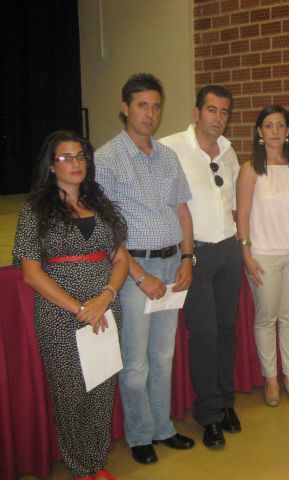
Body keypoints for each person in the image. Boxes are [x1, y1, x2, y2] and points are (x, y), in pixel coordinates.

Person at [13, 130, 128, 480]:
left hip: (105, 310)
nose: (76, 163)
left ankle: (97, 463)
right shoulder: (35, 210)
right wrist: (80, 308)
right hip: (60, 316)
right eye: (66, 157)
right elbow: (31, 273)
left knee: (102, 388)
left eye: (81, 156)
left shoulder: (100, 204)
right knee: (70, 394)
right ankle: (82, 469)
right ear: (51, 165)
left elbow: (120, 259)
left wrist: (105, 297)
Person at [95, 73, 195, 464]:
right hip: (132, 269)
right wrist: (139, 275)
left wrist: (187, 258)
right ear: (125, 108)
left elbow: (182, 211)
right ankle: (139, 435)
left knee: (163, 356)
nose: (150, 113)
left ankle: (162, 428)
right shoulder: (106, 159)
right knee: (135, 361)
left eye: (155, 106)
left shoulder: (168, 155)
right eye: (142, 105)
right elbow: (106, 228)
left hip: (172, 265)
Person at [160, 85, 241, 449]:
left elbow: (232, 202)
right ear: (196, 113)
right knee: (205, 334)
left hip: (228, 251)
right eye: (212, 110)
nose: (218, 118)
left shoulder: (228, 150)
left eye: (224, 112)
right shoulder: (170, 148)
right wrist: (183, 254)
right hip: (194, 255)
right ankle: (208, 415)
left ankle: (225, 402)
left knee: (226, 331)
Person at [236, 105, 289, 406]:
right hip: (264, 255)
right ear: (259, 131)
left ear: (288, 131)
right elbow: (242, 215)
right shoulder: (250, 169)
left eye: (281, 125)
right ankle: (270, 378)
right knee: (267, 317)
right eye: (269, 125)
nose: (276, 131)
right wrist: (246, 252)